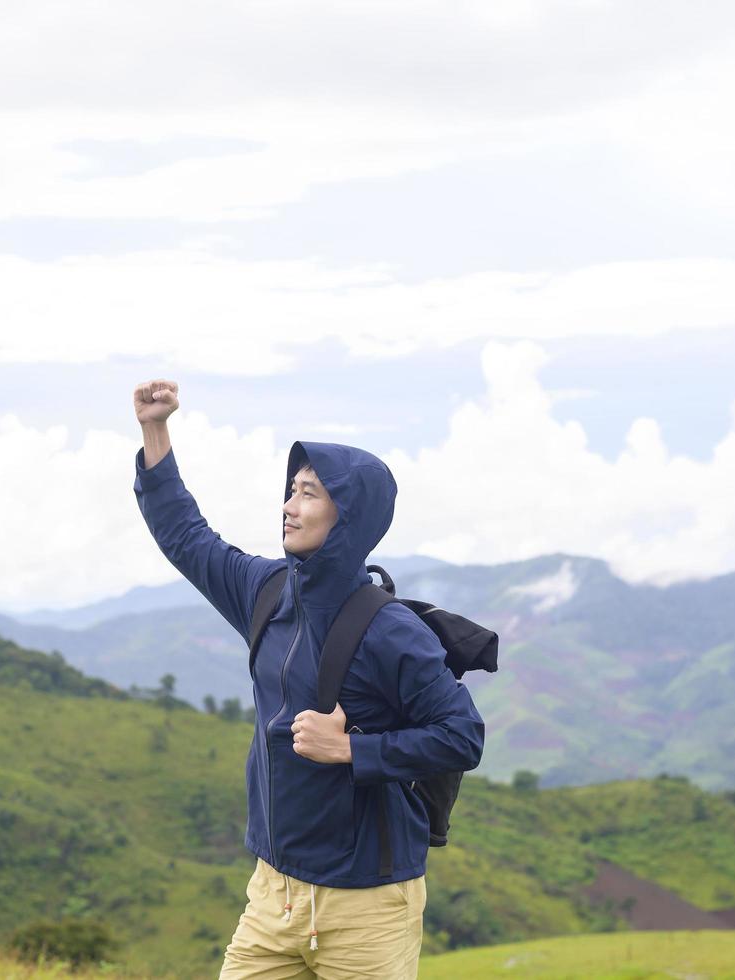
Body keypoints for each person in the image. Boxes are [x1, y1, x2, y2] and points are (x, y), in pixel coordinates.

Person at [132, 378, 485, 979]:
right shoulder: (265, 591)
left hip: (368, 906)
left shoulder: (391, 630)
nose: (290, 507)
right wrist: (155, 430)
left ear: (348, 516)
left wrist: (349, 749)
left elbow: (462, 736)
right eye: (291, 491)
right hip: (274, 892)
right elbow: (186, 537)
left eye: (310, 494)